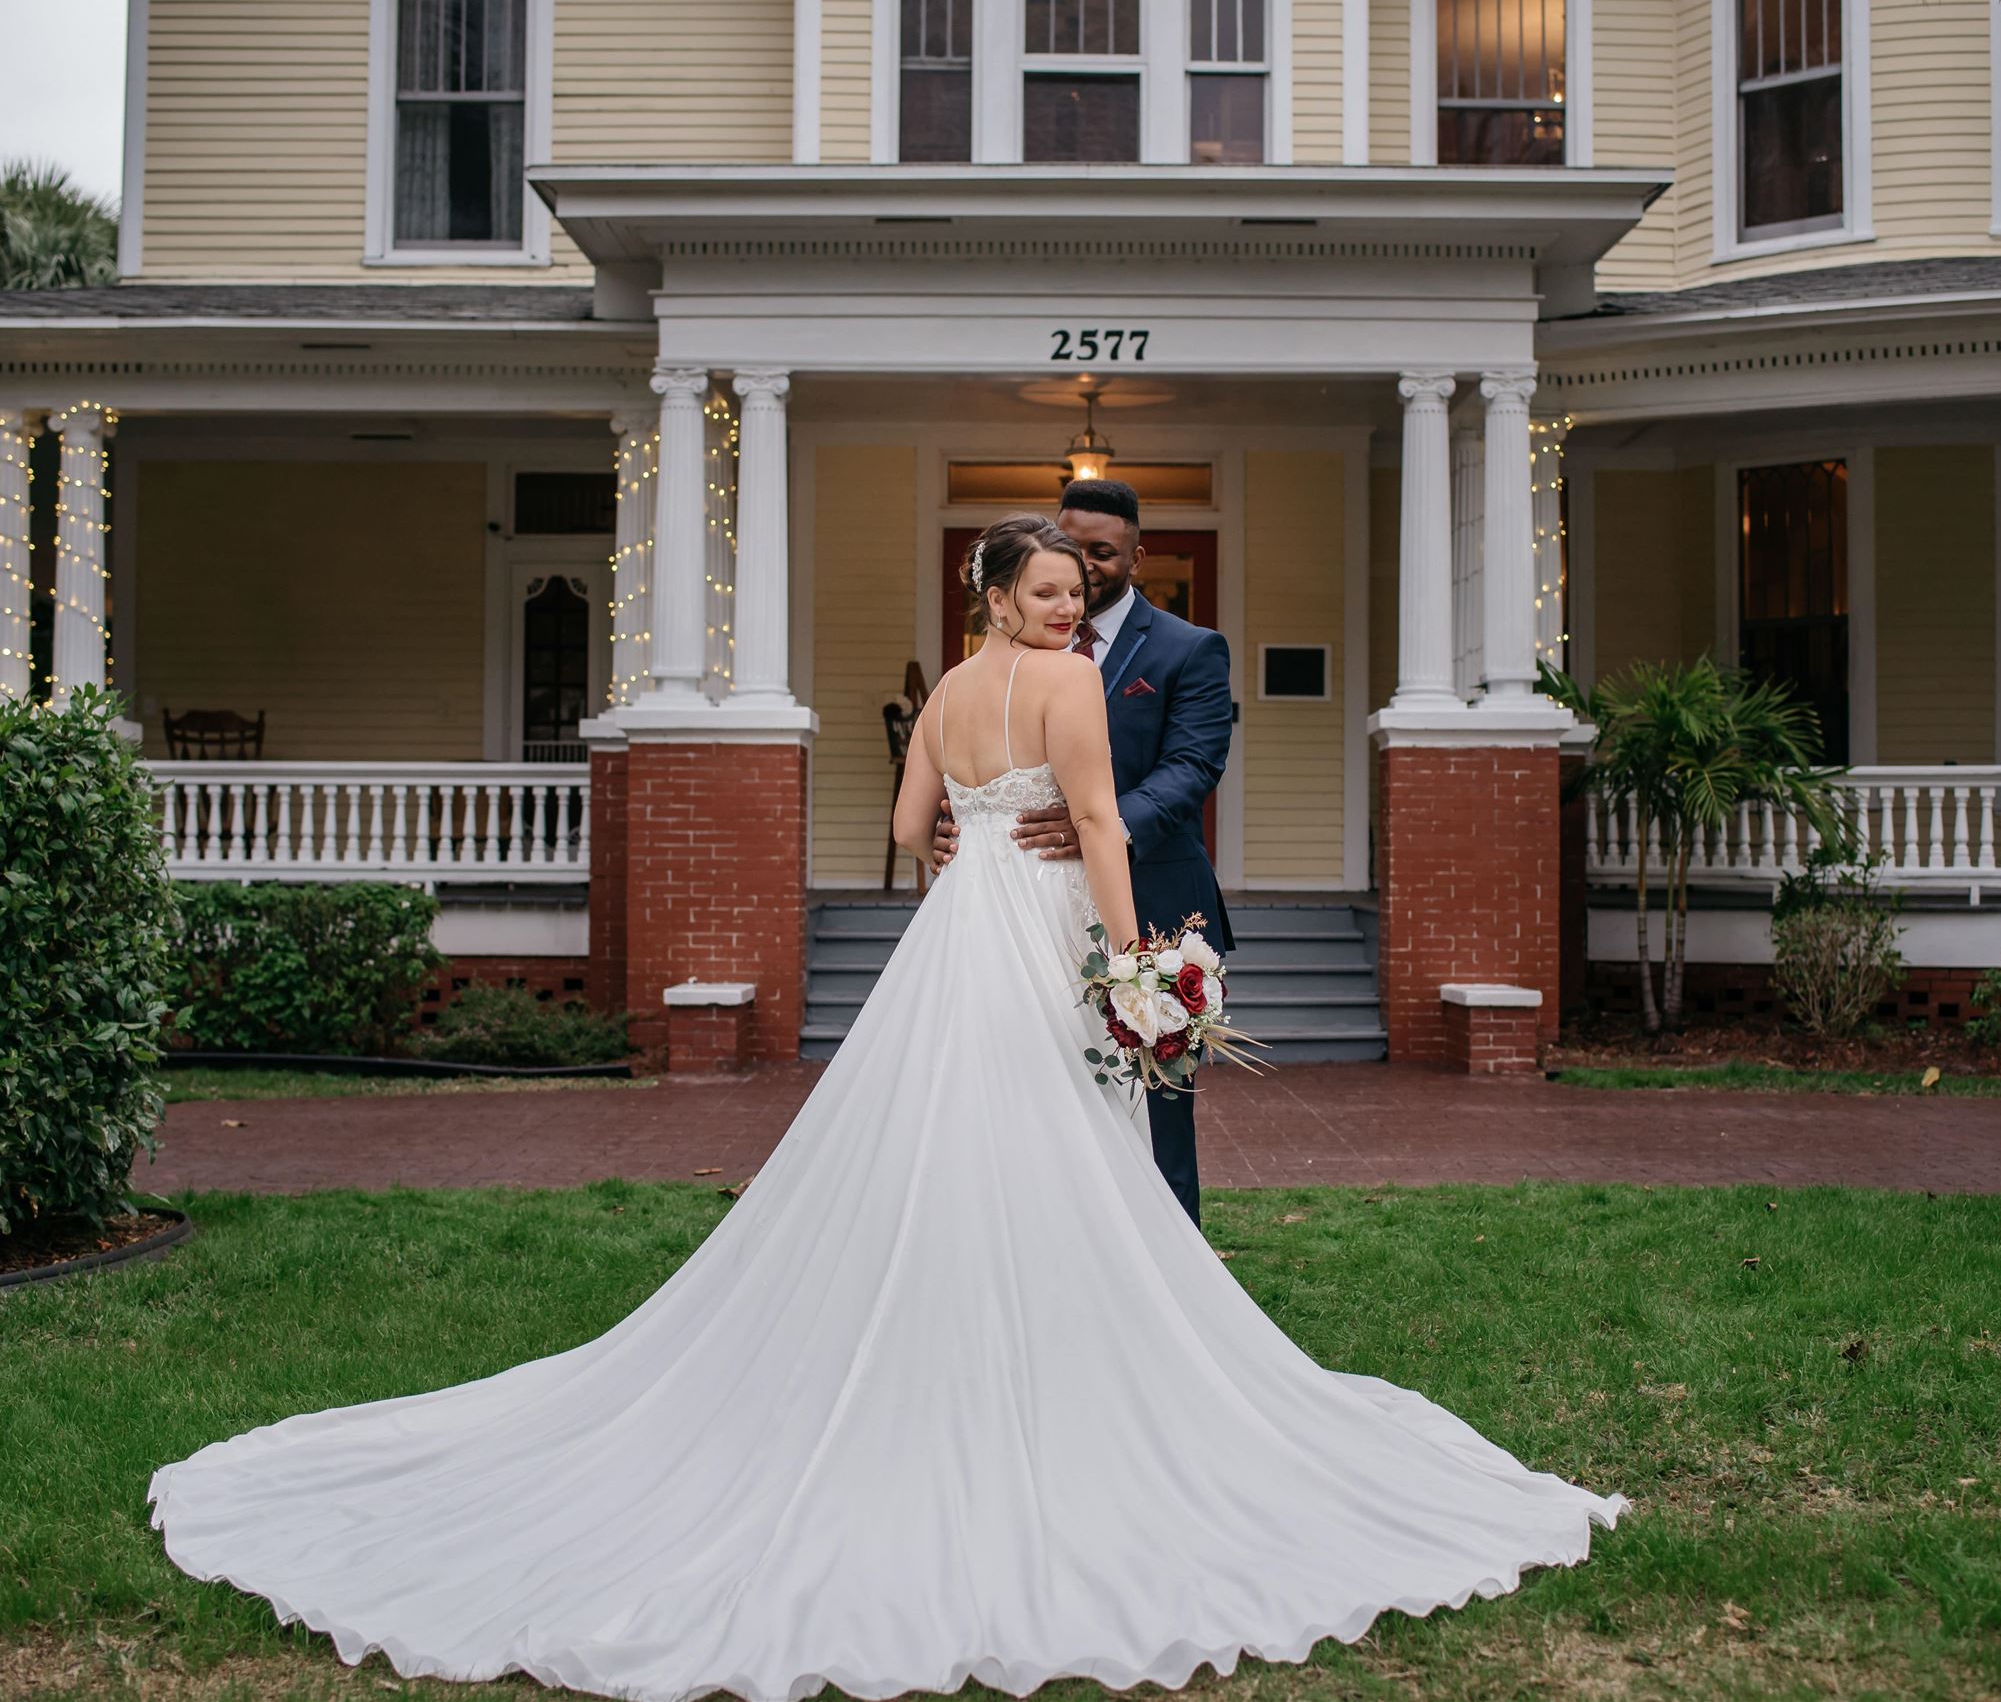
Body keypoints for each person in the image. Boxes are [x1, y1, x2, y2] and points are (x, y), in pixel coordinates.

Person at [148, 513, 1620, 1702]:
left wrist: (963, 852)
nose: (1067, 611)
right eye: (1047, 593)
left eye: (1074, 594)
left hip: (957, 933)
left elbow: (912, 828)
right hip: (1048, 927)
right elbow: (1096, 822)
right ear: (1001, 596)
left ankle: (947, 1335)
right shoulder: (1061, 688)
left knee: (941, 1138)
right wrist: (1129, 962)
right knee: (1058, 1141)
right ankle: (1052, 1375)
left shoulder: (951, 696)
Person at [934, 478, 1232, 1228]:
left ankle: (1172, 1266)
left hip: (1151, 902)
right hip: (1029, 914)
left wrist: (1106, 823)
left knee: (1155, 1105)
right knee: (1033, 1098)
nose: (1086, 568)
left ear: (1138, 557)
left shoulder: (1188, 649)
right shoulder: (1011, 657)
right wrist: (959, 820)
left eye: (1103, 552)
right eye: (1074, 547)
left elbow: (1193, 765)